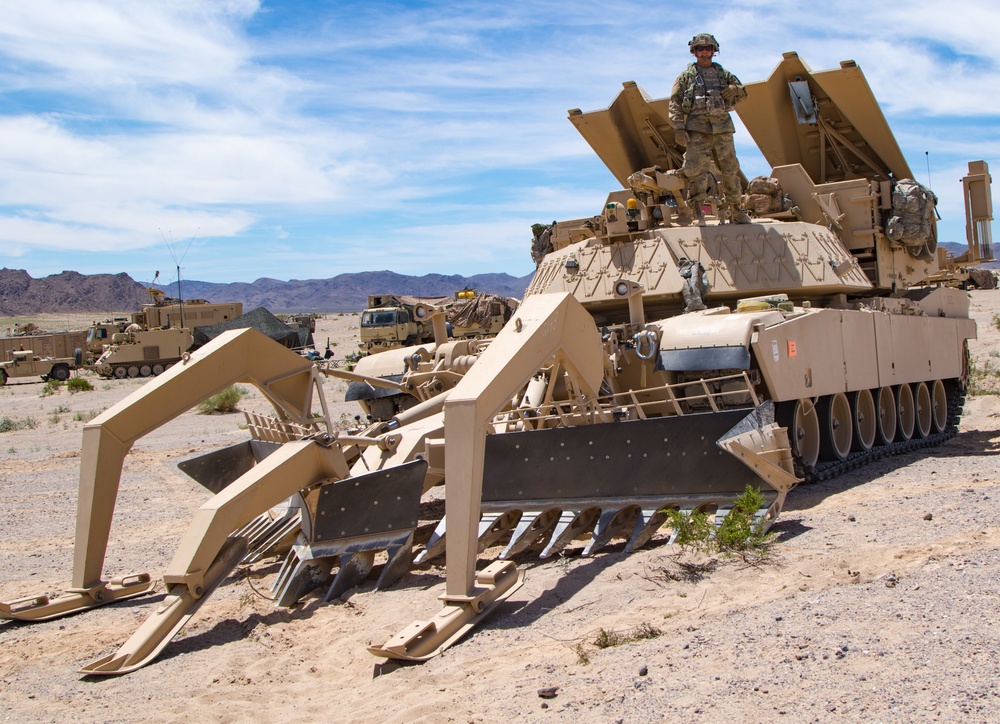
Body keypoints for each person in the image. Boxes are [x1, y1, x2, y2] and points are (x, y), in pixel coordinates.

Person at [669, 33, 752, 225]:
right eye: (700, 49)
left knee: (730, 168)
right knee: (697, 170)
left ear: (714, 51)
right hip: (697, 130)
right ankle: (697, 209)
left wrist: (735, 90)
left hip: (722, 129)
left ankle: (736, 208)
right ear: (694, 52)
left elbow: (743, 92)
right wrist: (679, 128)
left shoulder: (723, 74)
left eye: (708, 48)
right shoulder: (686, 77)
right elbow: (675, 102)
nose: (704, 52)